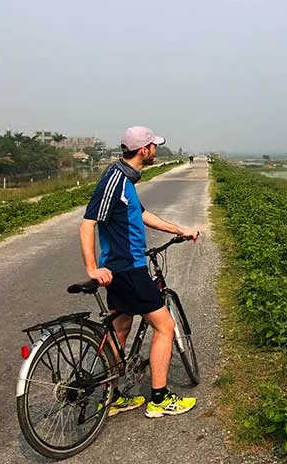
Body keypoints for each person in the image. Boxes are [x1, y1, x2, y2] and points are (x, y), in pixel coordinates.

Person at [79, 126, 199, 418]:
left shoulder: (126, 181)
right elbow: (87, 223)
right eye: (154, 147)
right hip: (127, 268)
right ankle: (159, 399)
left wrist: (178, 229)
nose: (156, 151)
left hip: (122, 269)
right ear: (143, 150)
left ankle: (112, 395)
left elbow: (142, 215)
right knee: (165, 327)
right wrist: (92, 268)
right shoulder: (115, 180)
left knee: (121, 327)